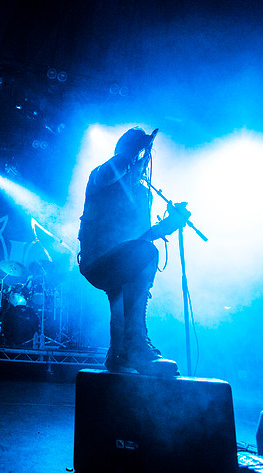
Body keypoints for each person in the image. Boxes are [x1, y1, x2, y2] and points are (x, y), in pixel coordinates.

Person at [78, 127, 190, 376]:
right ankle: (135, 345)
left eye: (146, 154)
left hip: (120, 258)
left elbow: (141, 236)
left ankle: (117, 353)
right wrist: (129, 154)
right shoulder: (101, 175)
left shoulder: (142, 193)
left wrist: (167, 226)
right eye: (140, 152)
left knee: (125, 287)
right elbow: (111, 172)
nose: (144, 158)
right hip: (97, 257)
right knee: (147, 254)